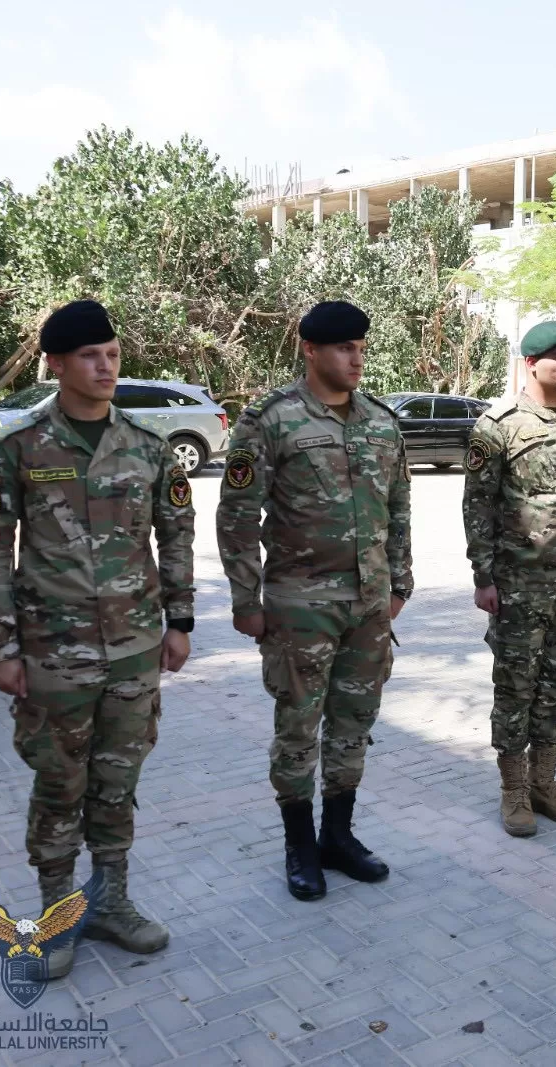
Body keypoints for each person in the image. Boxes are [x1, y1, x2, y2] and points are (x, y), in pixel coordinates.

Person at [0, 299, 194, 974]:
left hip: (134, 649)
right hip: (52, 655)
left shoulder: (148, 447)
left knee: (118, 780)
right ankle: (59, 913)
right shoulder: (15, 450)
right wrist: (0, 648)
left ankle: (112, 900)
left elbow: (176, 536)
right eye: (90, 356)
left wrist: (180, 622)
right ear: (56, 364)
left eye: (113, 355)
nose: (105, 367)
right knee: (59, 783)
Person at [216, 300, 411, 901]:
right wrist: (246, 600)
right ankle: (299, 846)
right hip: (299, 606)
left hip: (368, 606)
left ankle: (338, 836)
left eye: (360, 348)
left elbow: (398, 507)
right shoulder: (271, 420)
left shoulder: (381, 420)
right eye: (344, 348)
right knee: (298, 728)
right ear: (310, 350)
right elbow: (237, 515)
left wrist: (399, 584)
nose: (356, 359)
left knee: (354, 723)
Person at [463, 321, 556, 836]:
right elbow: (478, 505)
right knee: (515, 687)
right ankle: (514, 791)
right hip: (519, 585)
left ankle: (545, 782)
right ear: (531, 363)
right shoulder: (497, 426)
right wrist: (483, 576)